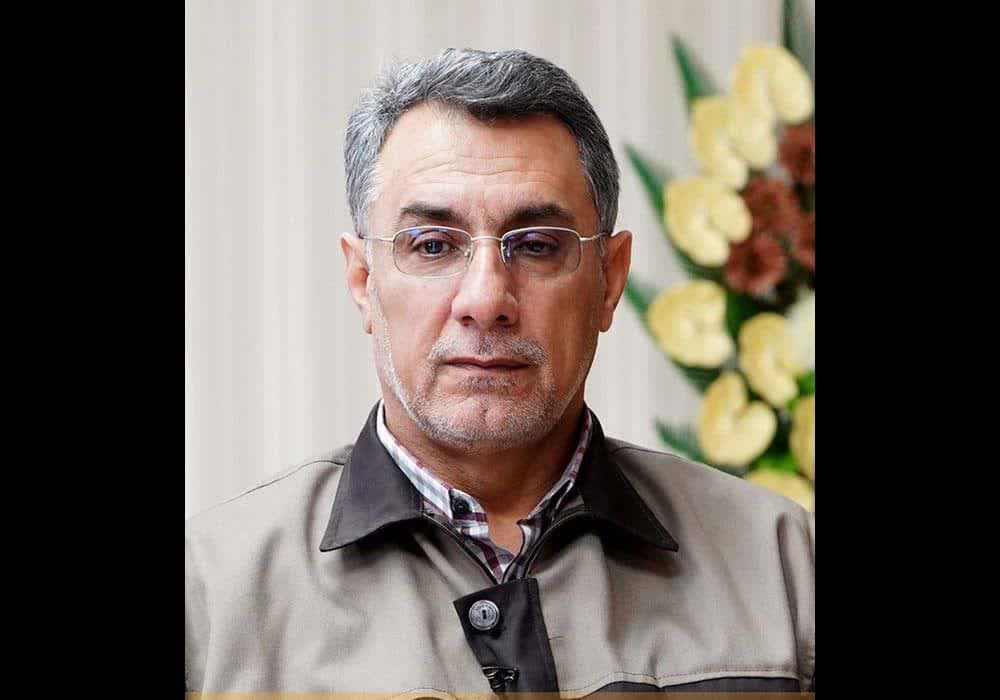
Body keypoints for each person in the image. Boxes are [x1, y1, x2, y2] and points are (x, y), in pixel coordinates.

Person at [185, 48, 815, 694]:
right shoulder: (209, 595)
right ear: (363, 279)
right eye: (433, 245)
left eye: (537, 245)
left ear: (609, 280)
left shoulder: (781, 566)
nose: (486, 299)